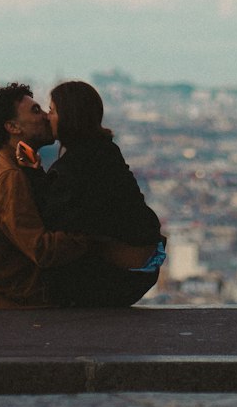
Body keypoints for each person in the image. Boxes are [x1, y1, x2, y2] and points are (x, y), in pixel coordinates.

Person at [0, 83, 95, 309]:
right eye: (36, 111)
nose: (46, 116)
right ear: (13, 127)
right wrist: (93, 235)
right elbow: (42, 250)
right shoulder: (8, 178)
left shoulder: (1, 166)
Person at [24, 80, 166, 308]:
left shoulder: (73, 167)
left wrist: (30, 174)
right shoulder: (105, 151)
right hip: (143, 268)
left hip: (116, 276)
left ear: (70, 116)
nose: (47, 117)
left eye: (52, 110)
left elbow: (50, 220)